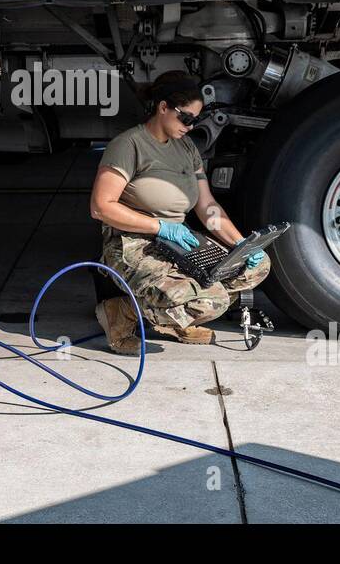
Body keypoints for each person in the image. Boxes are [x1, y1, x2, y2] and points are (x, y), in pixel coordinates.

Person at [89, 70, 271, 354]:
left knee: (256, 267)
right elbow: (101, 207)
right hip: (134, 243)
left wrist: (240, 245)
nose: (190, 126)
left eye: (194, 120)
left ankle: (178, 315)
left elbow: (207, 206)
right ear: (163, 108)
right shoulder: (129, 145)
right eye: (185, 118)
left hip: (178, 242)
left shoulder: (186, 148)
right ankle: (121, 312)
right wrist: (160, 227)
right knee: (213, 301)